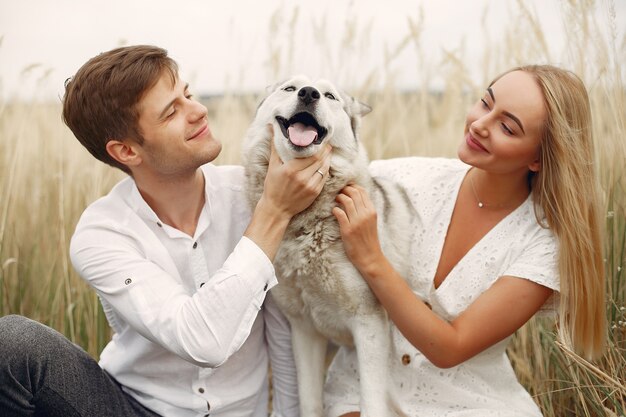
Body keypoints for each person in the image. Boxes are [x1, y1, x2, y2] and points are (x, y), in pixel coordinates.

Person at [0, 45, 332, 416]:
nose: (199, 111)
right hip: (134, 408)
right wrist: (273, 213)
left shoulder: (251, 193)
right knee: (12, 342)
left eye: (187, 94)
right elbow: (203, 340)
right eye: (172, 112)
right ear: (126, 151)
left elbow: (283, 330)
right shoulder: (102, 233)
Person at [326, 65, 606, 416]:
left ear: (537, 158)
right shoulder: (403, 180)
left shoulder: (544, 245)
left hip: (472, 404)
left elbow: (450, 348)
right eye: (485, 103)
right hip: (364, 391)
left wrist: (371, 259)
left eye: (506, 126)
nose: (479, 124)